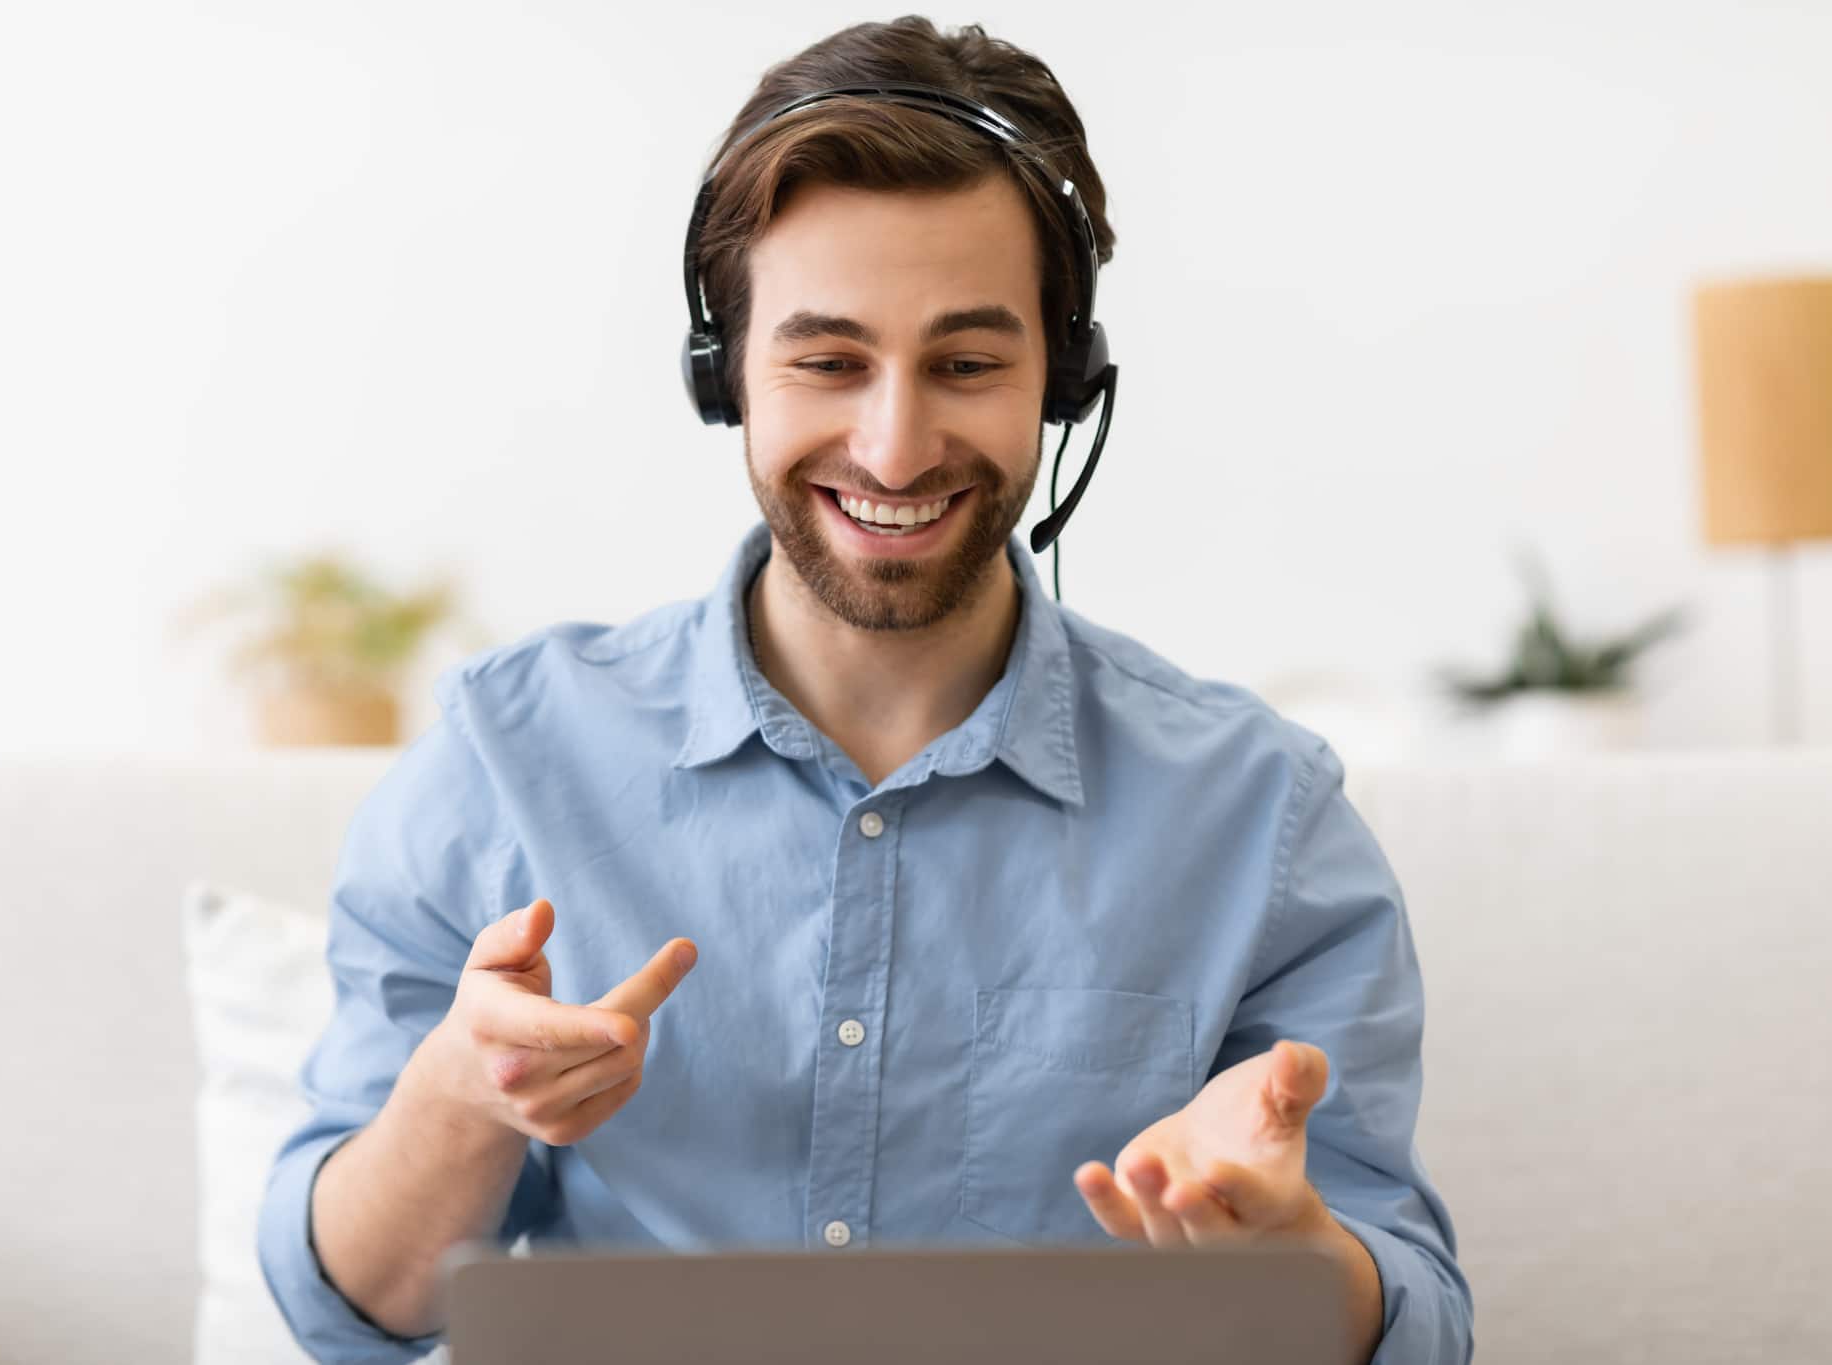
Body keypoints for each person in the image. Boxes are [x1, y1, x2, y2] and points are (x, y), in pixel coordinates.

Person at [258, 16, 1472, 1365]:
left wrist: (1287, 1251)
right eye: (828, 362)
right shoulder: (504, 759)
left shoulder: (1260, 812)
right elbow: (343, 1312)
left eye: (966, 364)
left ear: (1064, 382)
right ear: (724, 376)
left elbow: (1419, 1326)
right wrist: (459, 1096)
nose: (894, 445)